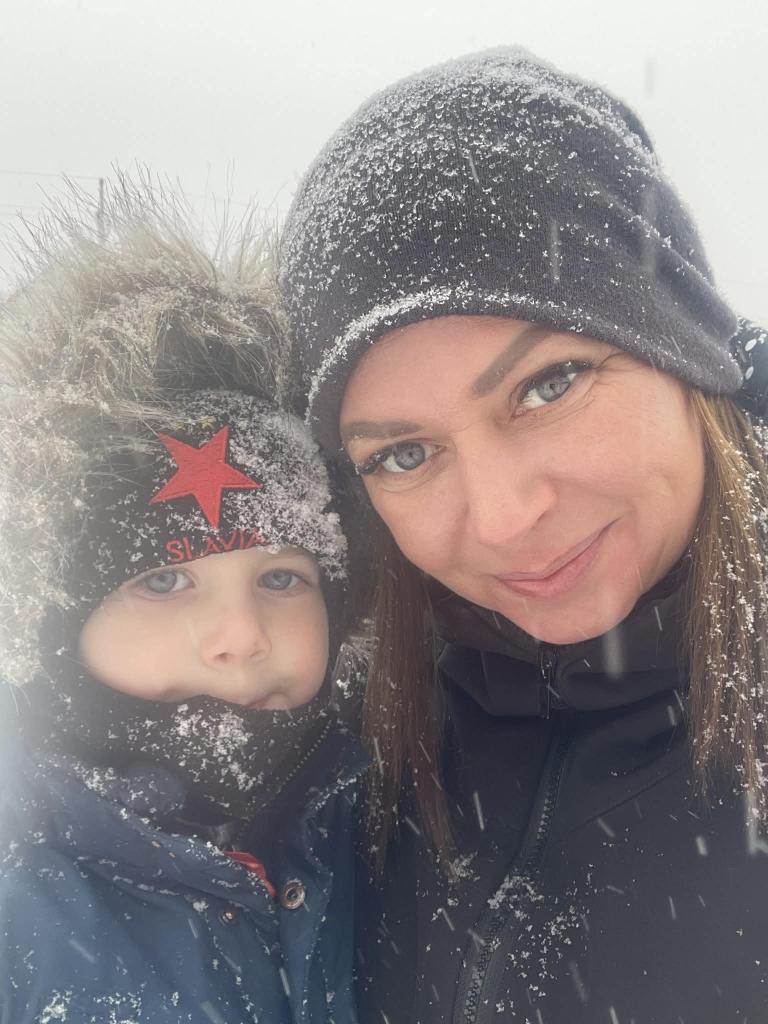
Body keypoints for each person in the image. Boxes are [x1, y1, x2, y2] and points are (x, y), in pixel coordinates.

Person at [280, 48, 768, 1022]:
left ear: (680, 344)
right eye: (404, 454)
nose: (502, 518)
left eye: (548, 386)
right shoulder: (331, 744)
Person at [0, 192, 365, 1024]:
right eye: (163, 582)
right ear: (51, 626)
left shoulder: (394, 826)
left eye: (282, 580)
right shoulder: (21, 914)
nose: (240, 637)